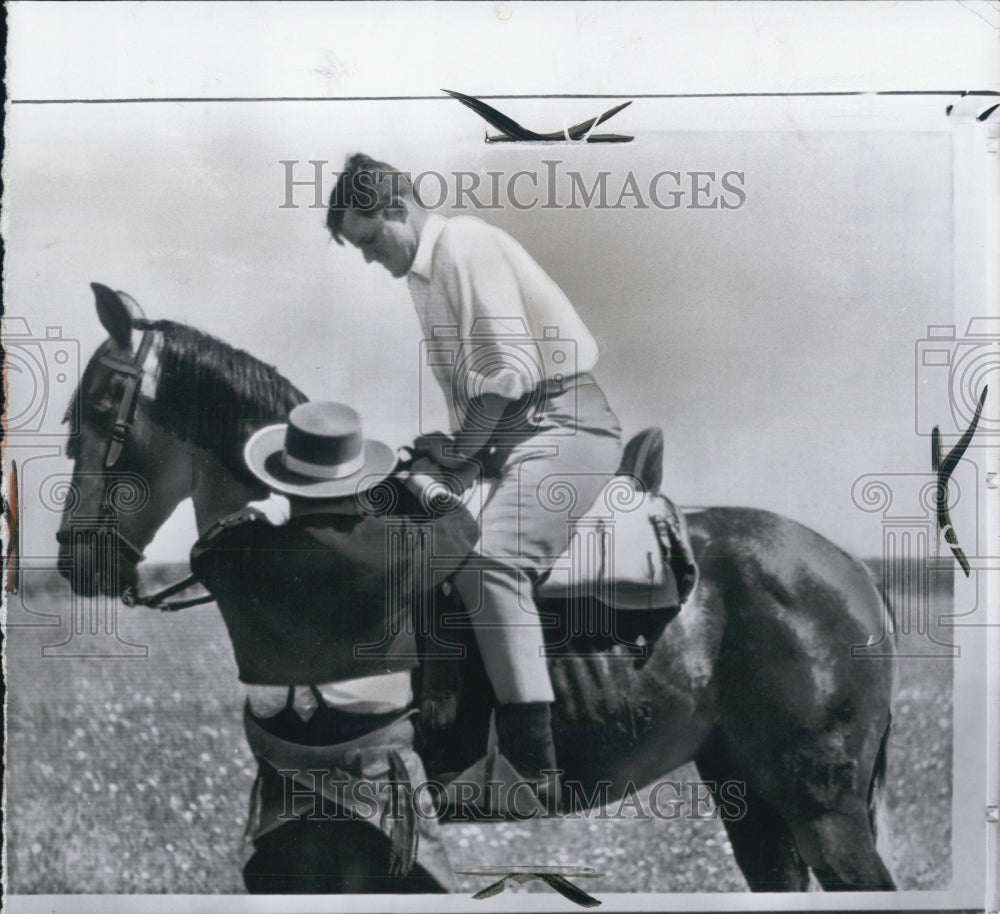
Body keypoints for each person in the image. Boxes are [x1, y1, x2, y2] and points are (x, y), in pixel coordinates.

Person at [326, 154, 624, 811]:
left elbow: (508, 377)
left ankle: (530, 769)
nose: (372, 259)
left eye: (373, 241)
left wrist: (459, 457)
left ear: (399, 208)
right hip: (510, 435)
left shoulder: (462, 245)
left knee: (492, 561)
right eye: (360, 250)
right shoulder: (425, 273)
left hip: (566, 425)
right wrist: (448, 452)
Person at [190, 401, 477, 892]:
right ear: (360, 481)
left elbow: (204, 551)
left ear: (283, 481)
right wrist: (419, 484)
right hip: (377, 771)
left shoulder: (232, 557)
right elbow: (462, 527)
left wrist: (252, 517)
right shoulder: (398, 546)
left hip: (285, 776)